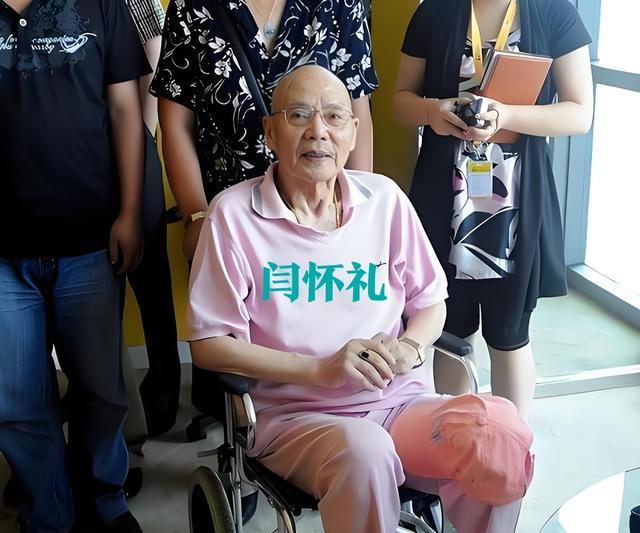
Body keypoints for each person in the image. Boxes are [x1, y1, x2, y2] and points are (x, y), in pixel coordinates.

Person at [187, 64, 534, 533]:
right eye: (299, 115)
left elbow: (431, 302)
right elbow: (209, 345)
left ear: (352, 132)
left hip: (400, 405)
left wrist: (409, 347)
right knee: (365, 452)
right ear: (270, 132)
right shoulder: (233, 216)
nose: (318, 131)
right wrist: (321, 369)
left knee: (500, 433)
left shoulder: (384, 200)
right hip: (297, 418)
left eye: (334, 116)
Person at [393, 0, 593, 417]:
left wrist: (508, 115)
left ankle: (512, 442)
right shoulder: (434, 11)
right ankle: (452, 441)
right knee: (450, 328)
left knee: (510, 333)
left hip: (516, 200)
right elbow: (401, 103)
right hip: (444, 195)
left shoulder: (553, 11)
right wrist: (433, 110)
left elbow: (579, 113)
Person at [0, 0, 149, 531]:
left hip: (90, 235)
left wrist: (130, 212)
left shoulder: (102, 4)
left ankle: (104, 502)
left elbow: (126, 108)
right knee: (16, 401)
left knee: (101, 392)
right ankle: (47, 515)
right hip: (4, 252)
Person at [150, 0, 378, 260]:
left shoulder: (340, 5)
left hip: (324, 223)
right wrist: (198, 217)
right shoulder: (191, 7)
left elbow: (355, 112)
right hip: (231, 230)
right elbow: (176, 124)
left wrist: (357, 215)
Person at [125, 0, 182, 437]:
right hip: (74, 153)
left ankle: (164, 386)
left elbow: (156, 57)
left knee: (151, 279)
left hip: (131, 140)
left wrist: (143, 137)